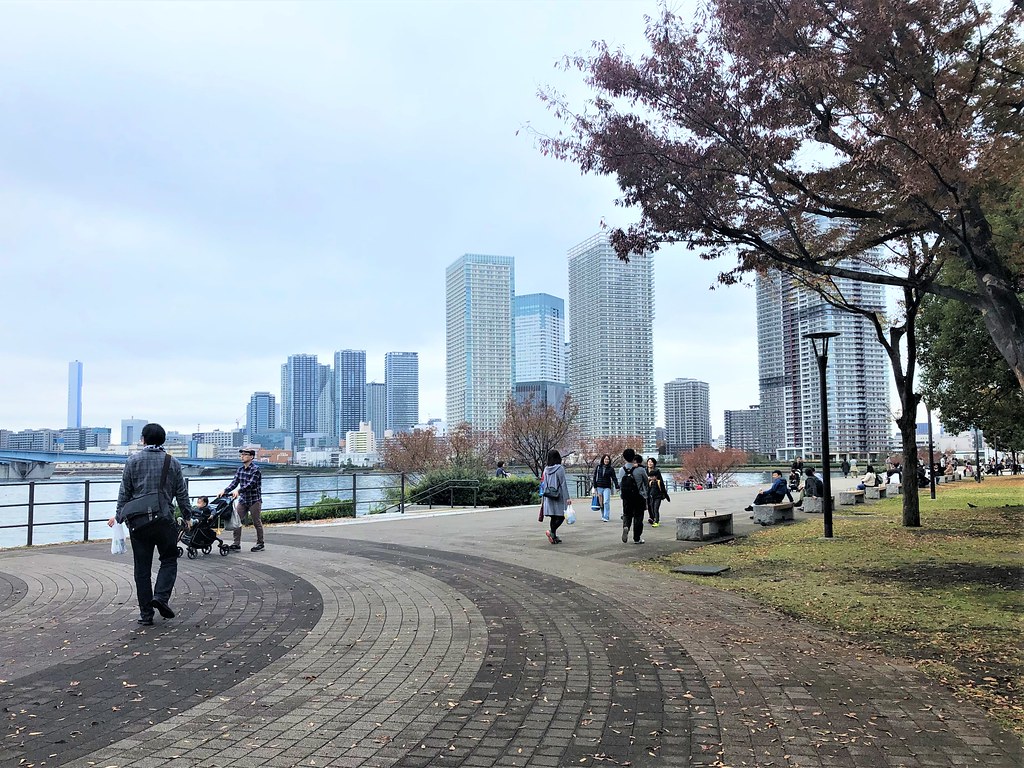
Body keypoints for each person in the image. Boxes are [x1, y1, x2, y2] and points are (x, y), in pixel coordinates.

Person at [107, 423, 192, 626]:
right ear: (163, 440)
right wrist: (188, 516)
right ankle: (161, 598)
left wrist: (119, 516)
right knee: (169, 560)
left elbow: (124, 493)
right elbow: (181, 493)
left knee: (142, 570)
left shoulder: (132, 461)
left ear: (143, 439)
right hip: (164, 521)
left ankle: (146, 615)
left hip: (138, 523)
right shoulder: (173, 462)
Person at [219, 447, 264, 552]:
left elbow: (251, 485)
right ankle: (236, 543)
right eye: (241, 455)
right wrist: (225, 491)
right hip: (243, 500)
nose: (242, 456)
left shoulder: (256, 470)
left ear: (251, 457)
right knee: (237, 520)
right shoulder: (240, 469)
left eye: (245, 455)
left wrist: (239, 491)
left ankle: (260, 543)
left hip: (254, 500)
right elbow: (234, 483)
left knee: (256, 522)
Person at [619, 448, 649, 544]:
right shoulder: (640, 469)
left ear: (624, 458)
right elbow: (646, 482)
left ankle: (626, 526)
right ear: (634, 457)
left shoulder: (621, 470)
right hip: (639, 496)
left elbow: (620, 484)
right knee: (638, 517)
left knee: (627, 514)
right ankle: (637, 538)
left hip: (626, 497)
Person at [540, 449, 570, 544]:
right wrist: (567, 498)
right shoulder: (559, 468)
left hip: (549, 496)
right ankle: (551, 532)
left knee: (553, 516)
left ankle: (553, 536)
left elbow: (544, 483)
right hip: (558, 496)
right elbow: (563, 484)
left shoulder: (546, 469)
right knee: (561, 516)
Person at [591, 453, 619, 522]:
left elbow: (614, 478)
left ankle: (606, 516)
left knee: (606, 501)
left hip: (607, 487)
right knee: (601, 503)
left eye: (608, 459)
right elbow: (595, 476)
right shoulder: (598, 467)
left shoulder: (611, 469)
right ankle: (603, 515)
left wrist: (617, 486)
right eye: (605, 459)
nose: (606, 460)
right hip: (599, 486)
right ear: (603, 459)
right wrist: (595, 486)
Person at [646, 457, 670, 527]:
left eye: (651, 462)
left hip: (657, 495)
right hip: (649, 492)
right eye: (649, 461)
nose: (650, 463)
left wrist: (665, 495)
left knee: (655, 508)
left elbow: (661, 484)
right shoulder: (645, 470)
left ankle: (655, 520)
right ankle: (652, 517)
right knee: (650, 505)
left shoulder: (657, 471)